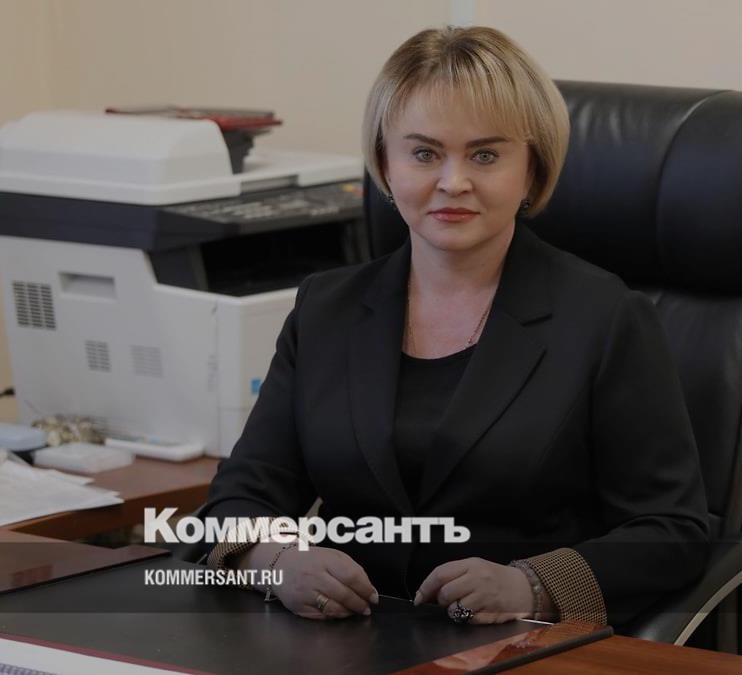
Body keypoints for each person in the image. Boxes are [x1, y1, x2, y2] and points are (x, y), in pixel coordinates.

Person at [201, 25, 708, 627]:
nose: (453, 182)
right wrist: (274, 559)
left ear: (531, 169)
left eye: (485, 155)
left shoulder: (605, 319)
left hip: (519, 647)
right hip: (346, 641)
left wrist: (532, 586)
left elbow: (672, 530)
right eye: (424, 153)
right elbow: (241, 495)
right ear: (385, 164)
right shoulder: (326, 310)